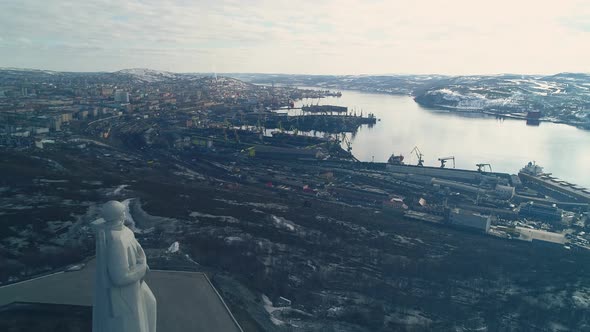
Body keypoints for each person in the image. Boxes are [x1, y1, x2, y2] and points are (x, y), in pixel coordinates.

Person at [92, 200, 157, 332]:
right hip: (126, 292)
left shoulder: (125, 231)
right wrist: (142, 268)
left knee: (151, 303)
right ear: (119, 216)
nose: (124, 215)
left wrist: (142, 264)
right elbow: (120, 278)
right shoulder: (116, 240)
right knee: (136, 320)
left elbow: (139, 252)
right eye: (122, 212)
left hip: (136, 281)